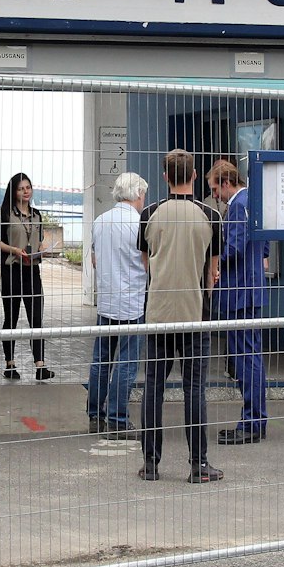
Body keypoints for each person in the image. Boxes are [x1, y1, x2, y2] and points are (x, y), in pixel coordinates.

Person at [136, 149, 223, 483]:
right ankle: (198, 464)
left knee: (154, 387)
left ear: (165, 176)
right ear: (195, 174)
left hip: (158, 312)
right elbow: (212, 271)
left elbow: (146, 262)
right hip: (194, 313)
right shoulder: (210, 216)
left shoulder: (150, 213)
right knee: (194, 389)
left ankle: (151, 464)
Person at [208, 159, 268, 444]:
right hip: (251, 288)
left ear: (226, 183)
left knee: (246, 359)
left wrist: (213, 262)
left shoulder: (237, 207)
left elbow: (233, 246)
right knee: (250, 356)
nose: (215, 195)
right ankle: (254, 418)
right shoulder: (252, 202)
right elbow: (263, 244)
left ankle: (252, 421)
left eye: (215, 189)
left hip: (239, 292)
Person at [86, 171, 147, 438]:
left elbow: (95, 260)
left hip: (107, 302)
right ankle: (118, 419)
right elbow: (148, 262)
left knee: (101, 360)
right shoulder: (139, 224)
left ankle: (94, 415)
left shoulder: (100, 221)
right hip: (132, 301)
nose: (144, 200)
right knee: (126, 362)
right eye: (143, 194)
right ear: (136, 194)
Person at [0, 171, 53, 381]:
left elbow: (39, 237)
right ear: (14, 191)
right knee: (12, 318)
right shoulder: (5, 214)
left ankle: (40, 365)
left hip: (32, 270)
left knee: (36, 318)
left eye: (28, 187)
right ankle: (10, 363)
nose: (26, 192)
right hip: (11, 271)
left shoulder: (36, 215)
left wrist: (42, 247)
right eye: (21, 188)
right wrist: (13, 250)